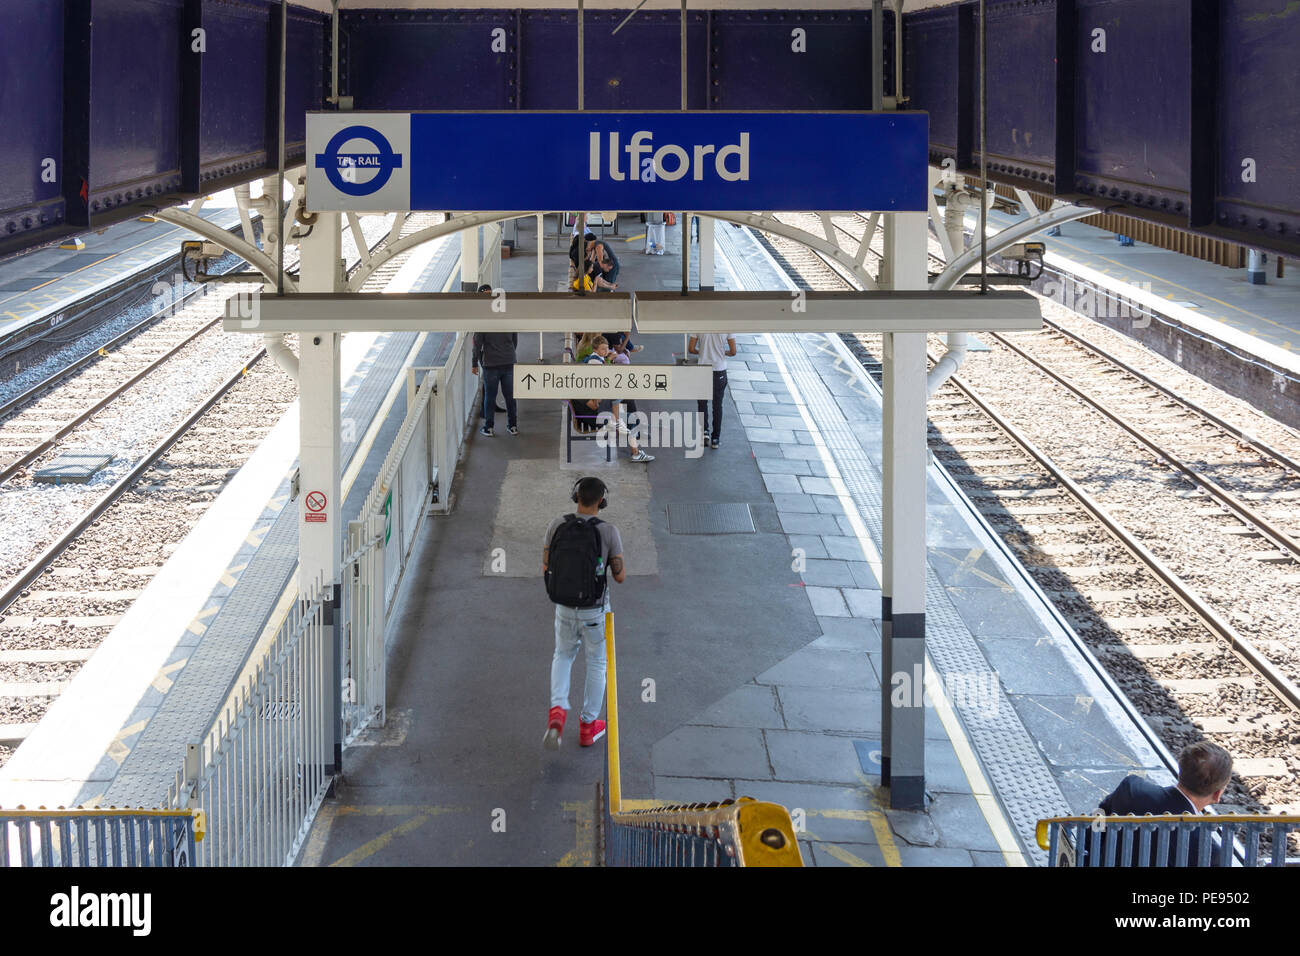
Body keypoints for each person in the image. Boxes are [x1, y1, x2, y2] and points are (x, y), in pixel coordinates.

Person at [543, 476, 626, 749]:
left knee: (562, 655)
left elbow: (546, 565)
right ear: (602, 501)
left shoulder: (557, 525)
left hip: (564, 607)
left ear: (575, 497)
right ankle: (588, 727)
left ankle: (557, 711)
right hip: (595, 611)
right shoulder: (609, 531)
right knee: (597, 665)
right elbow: (620, 576)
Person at [1092, 741, 1234, 866]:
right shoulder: (1209, 851)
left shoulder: (1132, 788)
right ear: (1217, 794)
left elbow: (1098, 819)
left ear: (1180, 771)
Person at [581, 337, 653, 462]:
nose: (606, 350)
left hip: (604, 408)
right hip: (599, 413)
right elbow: (604, 381)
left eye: (607, 347)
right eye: (603, 349)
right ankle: (633, 447)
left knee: (629, 412)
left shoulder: (599, 359)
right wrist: (609, 360)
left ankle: (633, 440)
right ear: (595, 349)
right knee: (618, 398)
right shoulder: (594, 362)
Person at [472, 289, 518, 436]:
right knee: (510, 396)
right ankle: (513, 426)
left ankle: (489, 427)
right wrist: (508, 354)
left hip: (490, 364)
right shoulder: (509, 318)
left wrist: (475, 363)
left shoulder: (483, 320)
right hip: (509, 361)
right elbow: (514, 340)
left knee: (490, 397)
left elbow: (477, 345)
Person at [688, 332, 737, 449]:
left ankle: (704, 433)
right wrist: (722, 353)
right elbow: (733, 351)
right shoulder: (728, 324)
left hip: (703, 368)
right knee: (717, 405)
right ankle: (715, 438)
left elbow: (691, 349)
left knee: (702, 403)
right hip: (719, 369)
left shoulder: (698, 323)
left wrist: (704, 353)